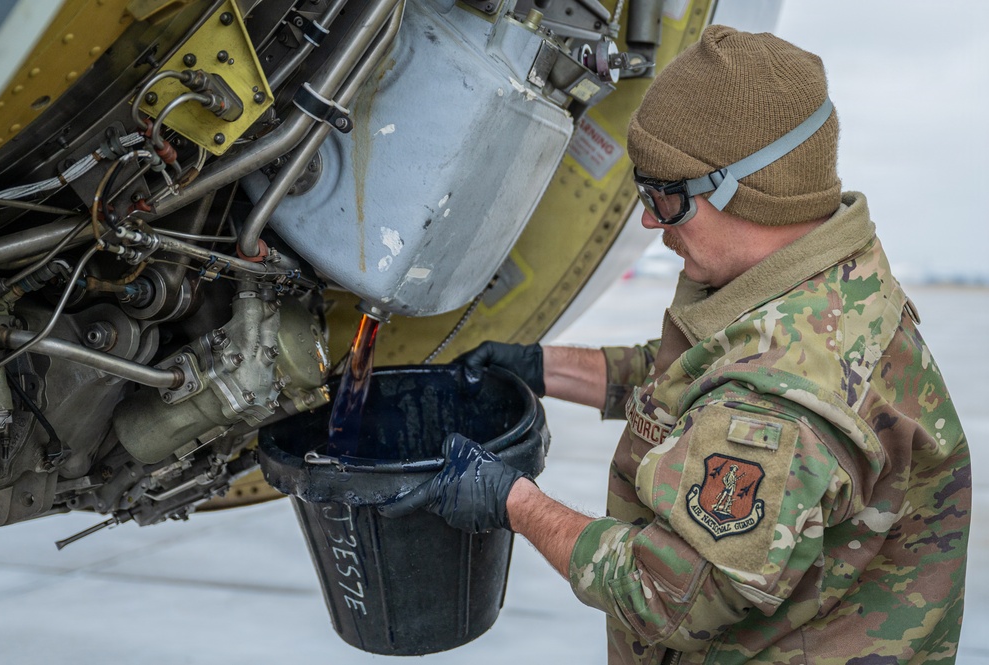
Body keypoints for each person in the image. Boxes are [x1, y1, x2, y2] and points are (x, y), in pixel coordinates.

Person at [381, 25, 971, 664]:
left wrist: (512, 501)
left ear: (746, 188)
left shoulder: (783, 400)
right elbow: (696, 383)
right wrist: (541, 368)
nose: (648, 221)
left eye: (665, 197)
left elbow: (670, 595)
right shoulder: (821, 288)